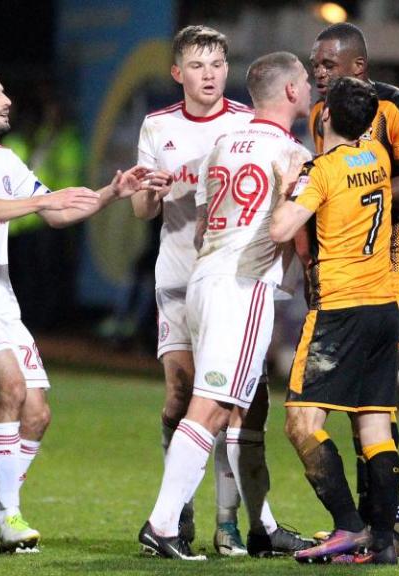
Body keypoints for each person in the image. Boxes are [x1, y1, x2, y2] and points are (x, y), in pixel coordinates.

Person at [0, 62, 152, 553]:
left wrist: (113, 192)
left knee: (38, 412)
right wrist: (35, 205)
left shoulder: (5, 161)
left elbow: (61, 208)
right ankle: (9, 520)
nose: (5, 100)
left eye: (4, 91)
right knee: (9, 389)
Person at [138, 51, 317, 561]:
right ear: (288, 92)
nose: (308, 89)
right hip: (241, 287)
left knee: (234, 406)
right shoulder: (290, 153)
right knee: (214, 405)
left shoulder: (223, 145)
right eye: (304, 81)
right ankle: (164, 522)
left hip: (205, 276)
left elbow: (200, 226)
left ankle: (256, 525)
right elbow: (295, 235)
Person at [306, 21, 399, 558]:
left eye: (327, 67)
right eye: (314, 66)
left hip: (398, 269)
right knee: (366, 402)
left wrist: (358, 187)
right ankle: (374, 530)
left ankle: (388, 528)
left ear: (358, 68)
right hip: (343, 278)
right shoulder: (322, 118)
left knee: (371, 400)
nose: (318, 74)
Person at [131, 25, 255, 555]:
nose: (210, 75)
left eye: (218, 65)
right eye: (198, 67)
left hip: (232, 278)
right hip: (178, 277)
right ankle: (177, 509)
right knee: (181, 397)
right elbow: (141, 209)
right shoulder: (158, 127)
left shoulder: (248, 124)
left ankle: (228, 523)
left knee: (231, 406)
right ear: (178, 73)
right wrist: (151, 193)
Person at [271, 76, 399, 565]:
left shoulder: (321, 170)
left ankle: (348, 527)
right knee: (376, 428)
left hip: (340, 311)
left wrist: (285, 190)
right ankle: (384, 542)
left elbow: (283, 227)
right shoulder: (381, 159)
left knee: (302, 423)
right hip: (384, 308)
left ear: (325, 117)